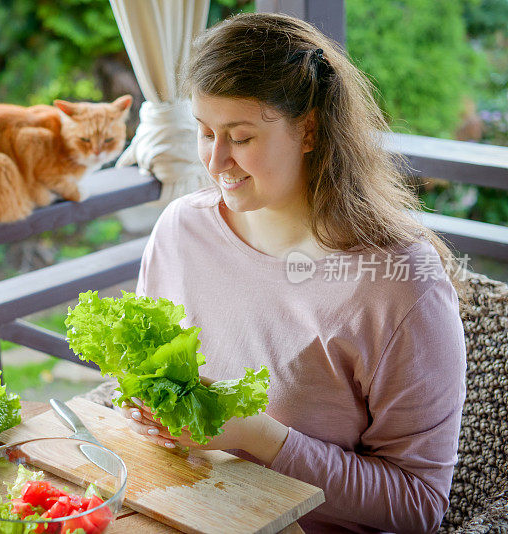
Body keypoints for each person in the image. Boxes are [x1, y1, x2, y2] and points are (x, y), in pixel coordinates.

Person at [121, 12, 467, 534]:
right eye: (205, 131)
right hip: (183, 509)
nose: (216, 162)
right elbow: (148, 379)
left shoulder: (399, 285)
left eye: (239, 136)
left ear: (308, 129)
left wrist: (261, 437)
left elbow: (418, 505)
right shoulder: (180, 230)